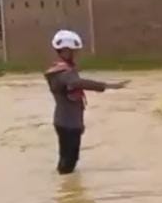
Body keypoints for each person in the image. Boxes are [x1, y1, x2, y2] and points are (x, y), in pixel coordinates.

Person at [45, 30, 128, 175]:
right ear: (65, 50)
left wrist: (80, 124)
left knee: (69, 160)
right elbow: (77, 83)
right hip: (67, 123)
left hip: (69, 122)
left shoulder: (64, 70)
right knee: (68, 163)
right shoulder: (61, 73)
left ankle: (64, 191)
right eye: (74, 51)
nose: (76, 54)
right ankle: (65, 194)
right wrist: (108, 85)